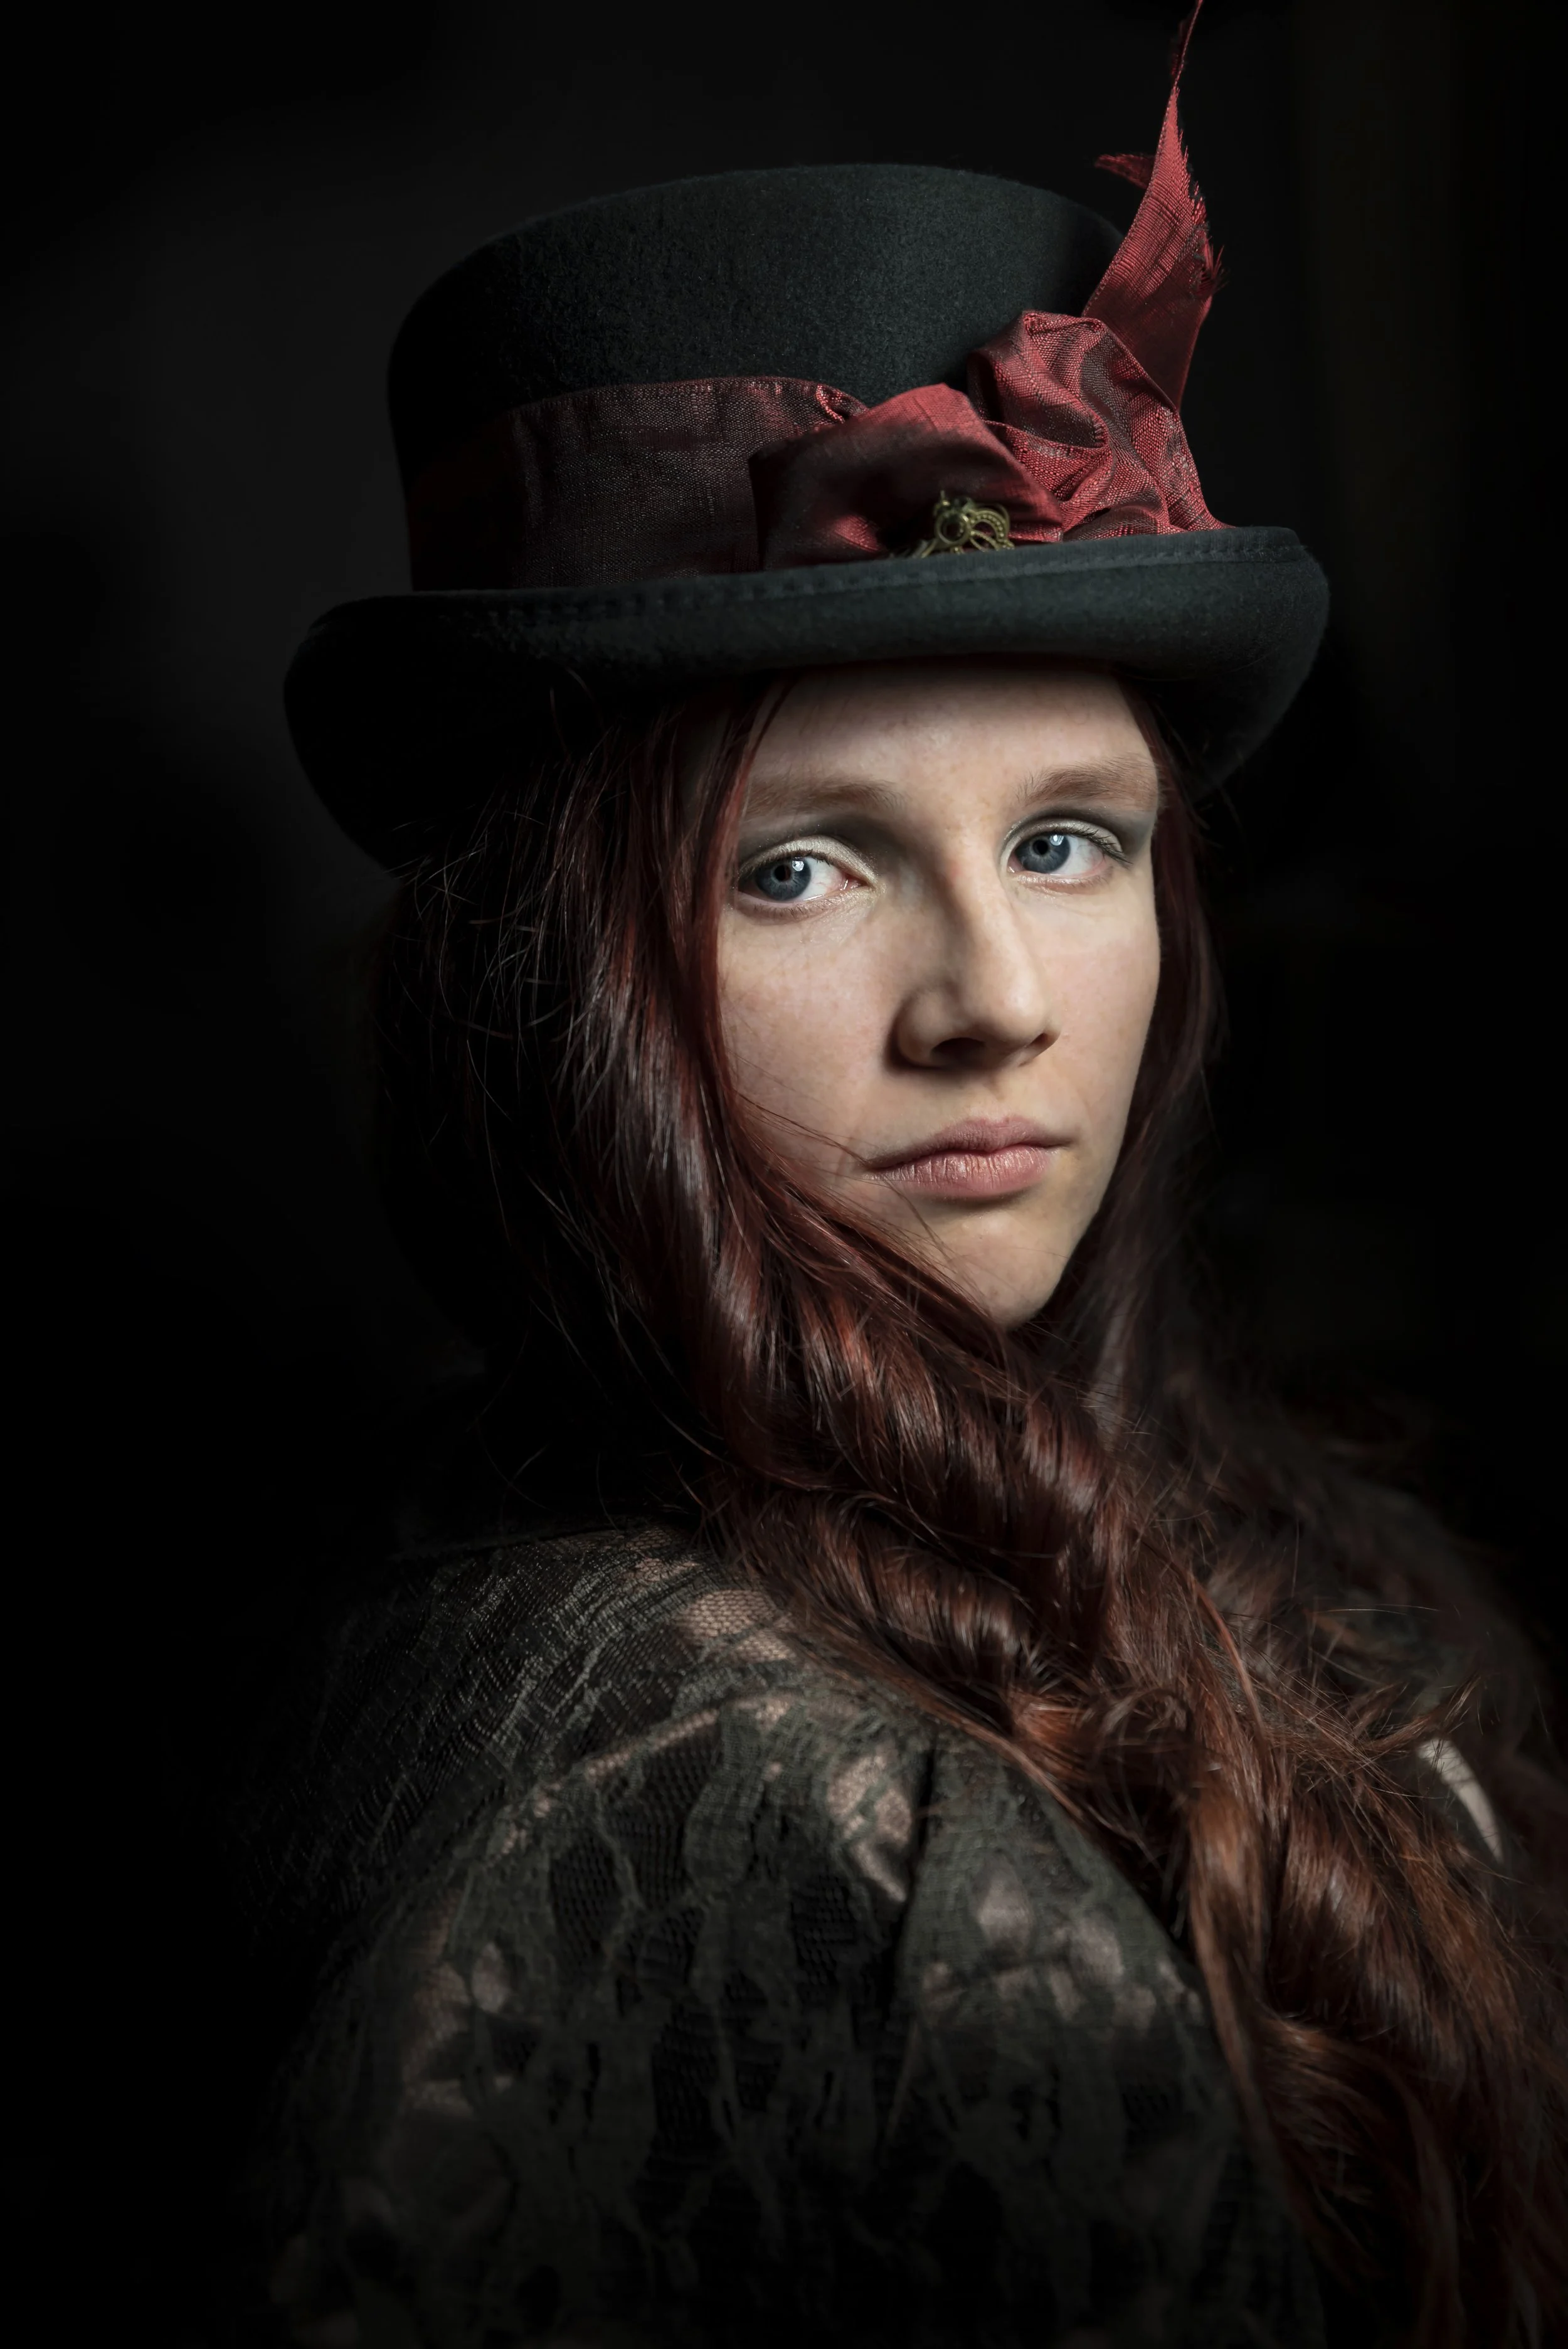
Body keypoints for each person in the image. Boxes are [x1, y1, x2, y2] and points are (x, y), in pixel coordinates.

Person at [248, 17, 1567, 2345]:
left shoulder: (1320, 1568)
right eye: (801, 868)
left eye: (1068, 843)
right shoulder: (696, 1781)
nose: (996, 1003)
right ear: (559, 978)